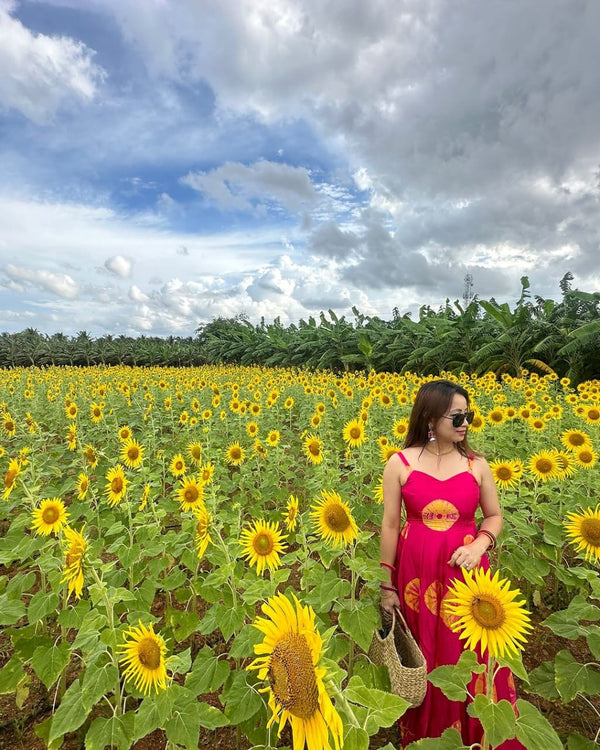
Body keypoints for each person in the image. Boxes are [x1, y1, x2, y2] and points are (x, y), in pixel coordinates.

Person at [379, 379, 523, 748]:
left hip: (466, 578)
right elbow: (391, 525)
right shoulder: (400, 463)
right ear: (429, 417)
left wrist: (480, 545)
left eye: (468, 415)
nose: (465, 423)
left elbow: (493, 516)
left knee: (467, 654)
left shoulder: (477, 466)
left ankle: (478, 733)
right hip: (417, 578)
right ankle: (430, 736)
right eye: (457, 416)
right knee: (425, 652)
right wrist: (386, 585)